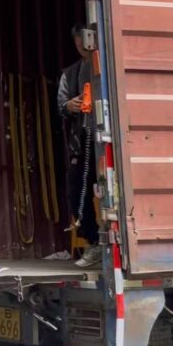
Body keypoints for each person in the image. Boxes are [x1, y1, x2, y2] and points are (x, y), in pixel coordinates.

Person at [58, 24, 101, 268]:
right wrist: (69, 106)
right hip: (83, 139)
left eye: (83, 43)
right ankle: (94, 242)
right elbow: (60, 104)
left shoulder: (106, 64)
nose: (81, 48)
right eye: (77, 44)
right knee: (76, 190)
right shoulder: (70, 73)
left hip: (107, 139)